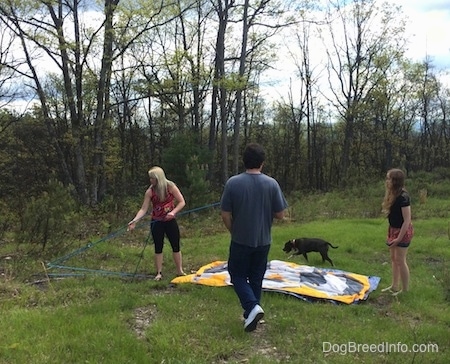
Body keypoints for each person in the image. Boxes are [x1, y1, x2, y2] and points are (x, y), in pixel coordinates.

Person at [220, 143, 288, 332]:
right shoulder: (272, 184)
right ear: (262, 163)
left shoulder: (233, 183)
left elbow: (225, 214)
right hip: (263, 240)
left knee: (237, 274)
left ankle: (252, 307)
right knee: (256, 277)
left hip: (240, 239)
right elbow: (281, 214)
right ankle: (252, 314)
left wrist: (233, 230)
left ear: (244, 161)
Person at [128, 166, 186, 281]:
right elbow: (143, 209)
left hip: (170, 221)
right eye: (150, 178)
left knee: (176, 245)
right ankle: (159, 273)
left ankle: (179, 270)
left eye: (152, 178)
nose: (150, 180)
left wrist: (173, 212)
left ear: (158, 178)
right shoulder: (150, 192)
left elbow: (182, 202)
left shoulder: (170, 187)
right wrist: (134, 221)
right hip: (157, 222)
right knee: (158, 247)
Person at [381, 168, 413, 296]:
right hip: (393, 229)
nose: (387, 181)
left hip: (403, 231)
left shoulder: (403, 197)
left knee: (400, 259)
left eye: (389, 178)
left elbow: (407, 220)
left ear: (395, 181)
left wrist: (399, 238)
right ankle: (394, 286)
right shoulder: (392, 194)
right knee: (394, 259)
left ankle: (405, 290)